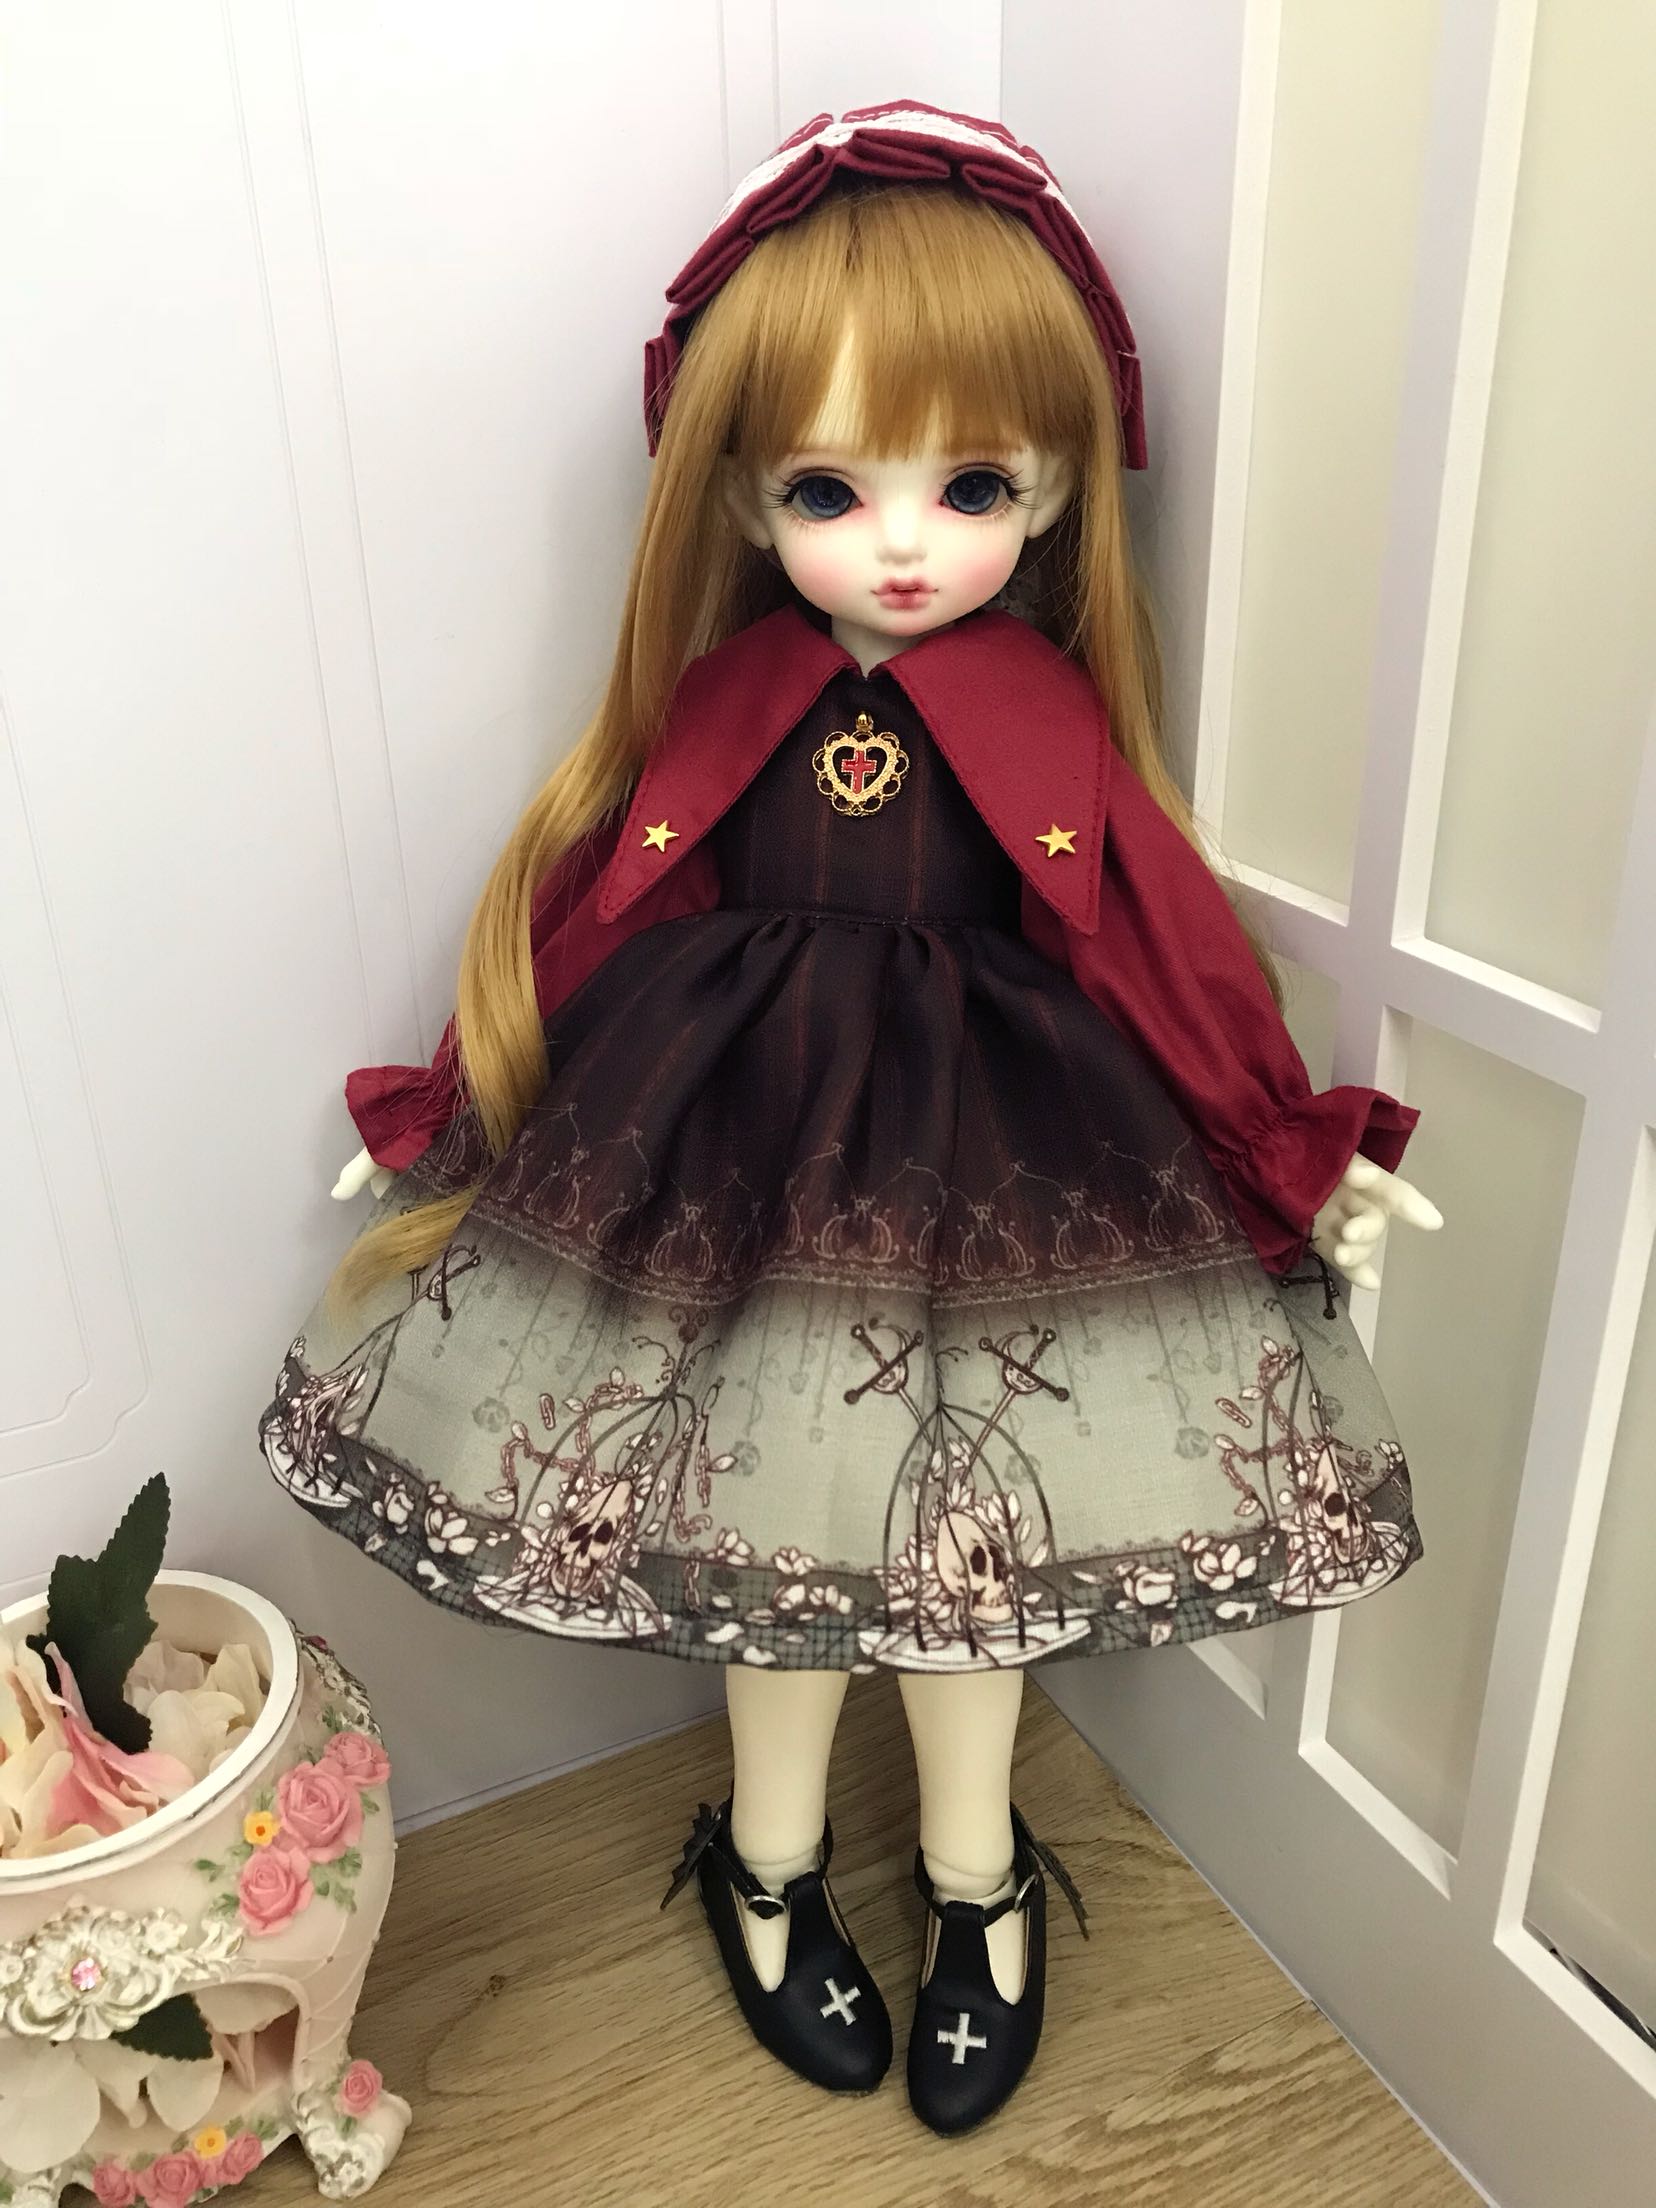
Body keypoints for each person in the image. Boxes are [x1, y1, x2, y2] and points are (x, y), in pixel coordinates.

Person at [260, 102, 1443, 2136]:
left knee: (974, 1563)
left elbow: (1161, 940)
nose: (903, 540)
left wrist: (1281, 1144)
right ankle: (768, 1856)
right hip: (738, 1159)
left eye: (970, 485)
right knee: (774, 1552)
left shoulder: (1045, 719)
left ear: (1053, 487)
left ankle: (980, 1878)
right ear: (743, 492)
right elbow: (593, 903)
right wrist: (452, 1104)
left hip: (1008, 1175)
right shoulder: (724, 704)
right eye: (830, 486)